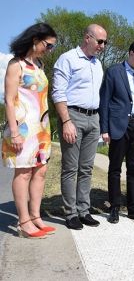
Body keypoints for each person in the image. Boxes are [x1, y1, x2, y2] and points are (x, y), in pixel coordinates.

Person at [2, 23, 57, 238]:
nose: (50, 50)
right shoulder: (16, 65)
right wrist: (14, 131)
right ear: (35, 40)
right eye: (48, 45)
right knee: (23, 173)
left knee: (40, 172)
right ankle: (23, 222)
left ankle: (36, 217)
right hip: (22, 128)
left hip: (41, 128)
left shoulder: (40, 65)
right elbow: (8, 99)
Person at [52, 24, 107, 230]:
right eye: (100, 41)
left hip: (93, 118)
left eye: (105, 42)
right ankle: (71, 213)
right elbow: (58, 93)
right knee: (70, 168)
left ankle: (84, 210)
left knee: (87, 168)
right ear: (87, 38)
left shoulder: (97, 64)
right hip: (73, 116)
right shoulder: (67, 59)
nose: (103, 46)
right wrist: (66, 121)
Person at [99, 40, 134, 224]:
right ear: (131, 53)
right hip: (118, 126)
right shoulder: (114, 72)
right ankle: (114, 206)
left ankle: (133, 208)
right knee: (115, 168)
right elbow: (104, 101)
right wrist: (104, 129)